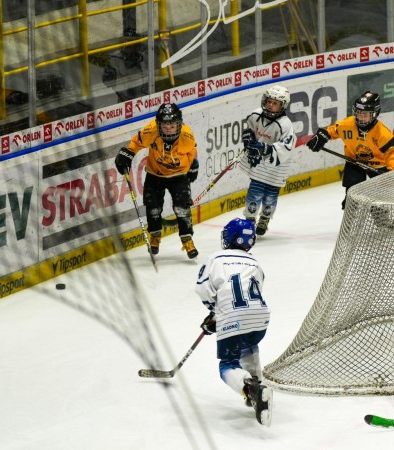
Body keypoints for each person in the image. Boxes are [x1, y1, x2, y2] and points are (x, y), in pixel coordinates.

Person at [196, 218, 272, 426]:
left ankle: (250, 387)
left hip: (233, 316)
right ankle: (257, 388)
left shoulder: (216, 258)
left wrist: (214, 314)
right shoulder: (255, 262)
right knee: (247, 345)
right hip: (260, 317)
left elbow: (203, 289)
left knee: (227, 364)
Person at [114, 103, 200, 258]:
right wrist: (126, 154)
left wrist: (193, 165)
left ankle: (187, 239)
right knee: (153, 208)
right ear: (158, 125)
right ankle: (155, 237)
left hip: (179, 176)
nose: (168, 129)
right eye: (165, 126)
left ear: (179, 125)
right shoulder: (151, 130)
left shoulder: (186, 136)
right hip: (155, 175)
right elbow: (136, 143)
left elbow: (192, 151)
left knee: (182, 208)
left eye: (172, 126)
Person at [306, 91, 394, 209]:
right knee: (351, 197)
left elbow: (392, 151)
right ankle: (350, 220)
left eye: (365, 114)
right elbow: (332, 130)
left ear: (375, 114)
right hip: (355, 162)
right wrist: (321, 136)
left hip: (377, 166)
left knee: (377, 200)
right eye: (358, 113)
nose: (360, 117)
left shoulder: (382, 133)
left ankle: (383, 222)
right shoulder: (347, 124)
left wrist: (393, 171)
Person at [238, 85, 297, 236]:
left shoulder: (285, 124)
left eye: (275, 103)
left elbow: (287, 146)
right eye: (269, 101)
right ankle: (250, 219)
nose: (271, 105)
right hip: (259, 164)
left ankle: (265, 218)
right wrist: (248, 138)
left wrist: (265, 149)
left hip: (278, 166)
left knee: (271, 194)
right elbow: (250, 130)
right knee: (255, 191)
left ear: (282, 106)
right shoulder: (255, 115)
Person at [100, 35, 149, 102]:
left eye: (130, 44)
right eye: (125, 44)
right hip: (124, 99)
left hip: (143, 97)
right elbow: (107, 80)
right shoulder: (115, 58)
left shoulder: (143, 56)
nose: (127, 46)